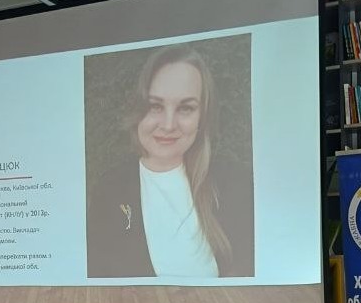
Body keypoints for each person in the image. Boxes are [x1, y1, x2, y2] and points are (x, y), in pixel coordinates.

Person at [86, 43, 254, 278]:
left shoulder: (234, 183)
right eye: (155, 106)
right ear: (138, 110)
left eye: (185, 108)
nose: (168, 125)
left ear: (202, 117)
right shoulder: (110, 190)